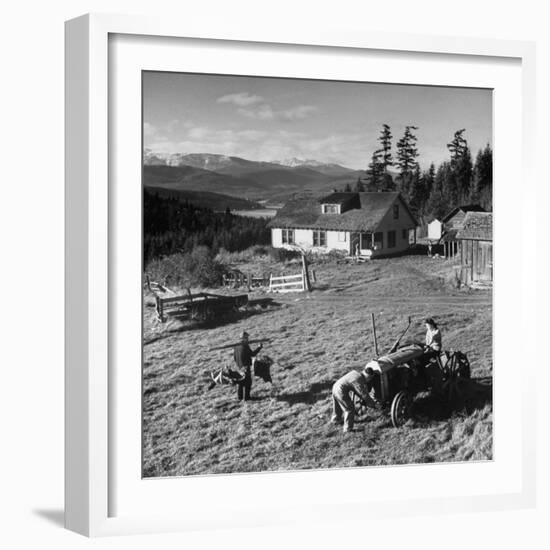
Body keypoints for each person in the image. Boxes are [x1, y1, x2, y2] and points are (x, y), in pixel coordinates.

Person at [331, 367, 378, 433]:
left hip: (335, 386)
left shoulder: (355, 372)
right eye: (370, 378)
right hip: (340, 390)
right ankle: (348, 429)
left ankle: (336, 420)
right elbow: (363, 394)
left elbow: (356, 391)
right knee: (349, 409)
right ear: (368, 377)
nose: (369, 380)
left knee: (337, 405)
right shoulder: (359, 380)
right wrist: (373, 404)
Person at [233, 331, 263, 401]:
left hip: (239, 367)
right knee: (247, 382)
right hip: (245, 367)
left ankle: (240, 397)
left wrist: (238, 364)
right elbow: (252, 354)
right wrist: (259, 347)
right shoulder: (245, 346)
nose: (247, 339)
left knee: (240, 381)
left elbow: (234, 357)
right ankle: (247, 398)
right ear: (242, 338)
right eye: (246, 337)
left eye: (247, 337)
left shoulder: (236, 346)